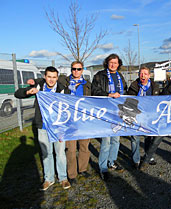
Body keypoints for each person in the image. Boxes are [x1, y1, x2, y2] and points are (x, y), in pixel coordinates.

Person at [14, 66, 71, 191]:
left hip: (58, 128)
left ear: (57, 78)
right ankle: (49, 179)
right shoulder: (39, 86)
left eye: (54, 77)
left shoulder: (64, 90)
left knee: (60, 153)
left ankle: (63, 178)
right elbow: (17, 93)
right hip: (43, 126)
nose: (51, 80)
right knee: (46, 153)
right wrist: (28, 92)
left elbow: (69, 109)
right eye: (49, 77)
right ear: (45, 77)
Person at [91, 53, 127, 181]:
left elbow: (125, 91)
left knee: (116, 140)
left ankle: (112, 162)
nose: (113, 65)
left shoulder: (120, 76)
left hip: (117, 112)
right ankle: (103, 168)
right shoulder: (100, 75)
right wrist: (108, 94)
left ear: (119, 64)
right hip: (105, 111)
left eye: (116, 63)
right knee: (106, 141)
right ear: (107, 63)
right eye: (111, 62)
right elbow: (94, 91)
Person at [64, 61, 92, 185]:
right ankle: (72, 174)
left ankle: (83, 169)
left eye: (79, 69)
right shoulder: (64, 82)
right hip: (69, 121)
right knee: (70, 149)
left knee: (84, 146)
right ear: (71, 69)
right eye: (74, 69)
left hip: (84, 120)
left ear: (82, 70)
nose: (76, 71)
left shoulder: (88, 85)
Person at [127, 66, 160, 169]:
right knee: (135, 138)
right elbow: (128, 101)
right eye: (141, 73)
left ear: (149, 76)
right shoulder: (133, 86)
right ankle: (135, 160)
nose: (143, 76)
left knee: (148, 138)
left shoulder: (155, 87)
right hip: (136, 116)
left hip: (149, 117)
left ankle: (148, 156)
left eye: (145, 74)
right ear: (138, 75)